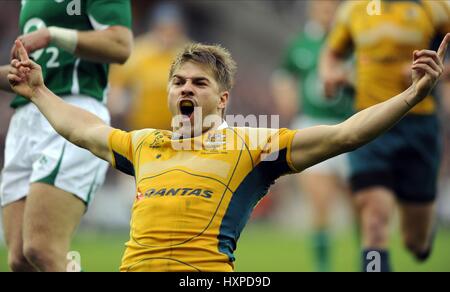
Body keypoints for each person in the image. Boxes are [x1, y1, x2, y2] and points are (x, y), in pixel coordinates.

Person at [6, 33, 449, 271]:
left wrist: (410, 97)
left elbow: (343, 135)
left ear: (222, 100)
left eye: (199, 83)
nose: (186, 88)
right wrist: (39, 91)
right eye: (179, 81)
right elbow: (84, 130)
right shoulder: (144, 144)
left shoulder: (252, 145)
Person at [0, 0, 132, 272]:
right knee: (18, 260)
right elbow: (27, 74)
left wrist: (53, 34)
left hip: (72, 110)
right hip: (25, 116)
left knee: (41, 249)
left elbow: (121, 45)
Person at [320, 0, 450, 271]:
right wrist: (330, 74)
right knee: (374, 221)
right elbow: (331, 54)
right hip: (369, 125)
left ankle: (424, 235)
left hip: (419, 127)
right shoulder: (353, 9)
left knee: (416, 241)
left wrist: (436, 71)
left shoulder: (437, 7)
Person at [272, 0, 354, 271]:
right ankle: (323, 268)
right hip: (313, 126)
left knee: (361, 205)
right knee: (319, 205)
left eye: (331, 6)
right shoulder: (301, 44)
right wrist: (285, 95)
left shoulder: (351, 40)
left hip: (352, 126)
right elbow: (284, 75)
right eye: (322, 5)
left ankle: (369, 263)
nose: (326, 10)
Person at [109, 2, 189, 131]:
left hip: (178, 130)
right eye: (163, 30)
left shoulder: (189, 54)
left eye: (173, 30)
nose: (168, 36)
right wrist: (122, 103)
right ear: (154, 28)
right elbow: (115, 88)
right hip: (143, 129)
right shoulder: (138, 53)